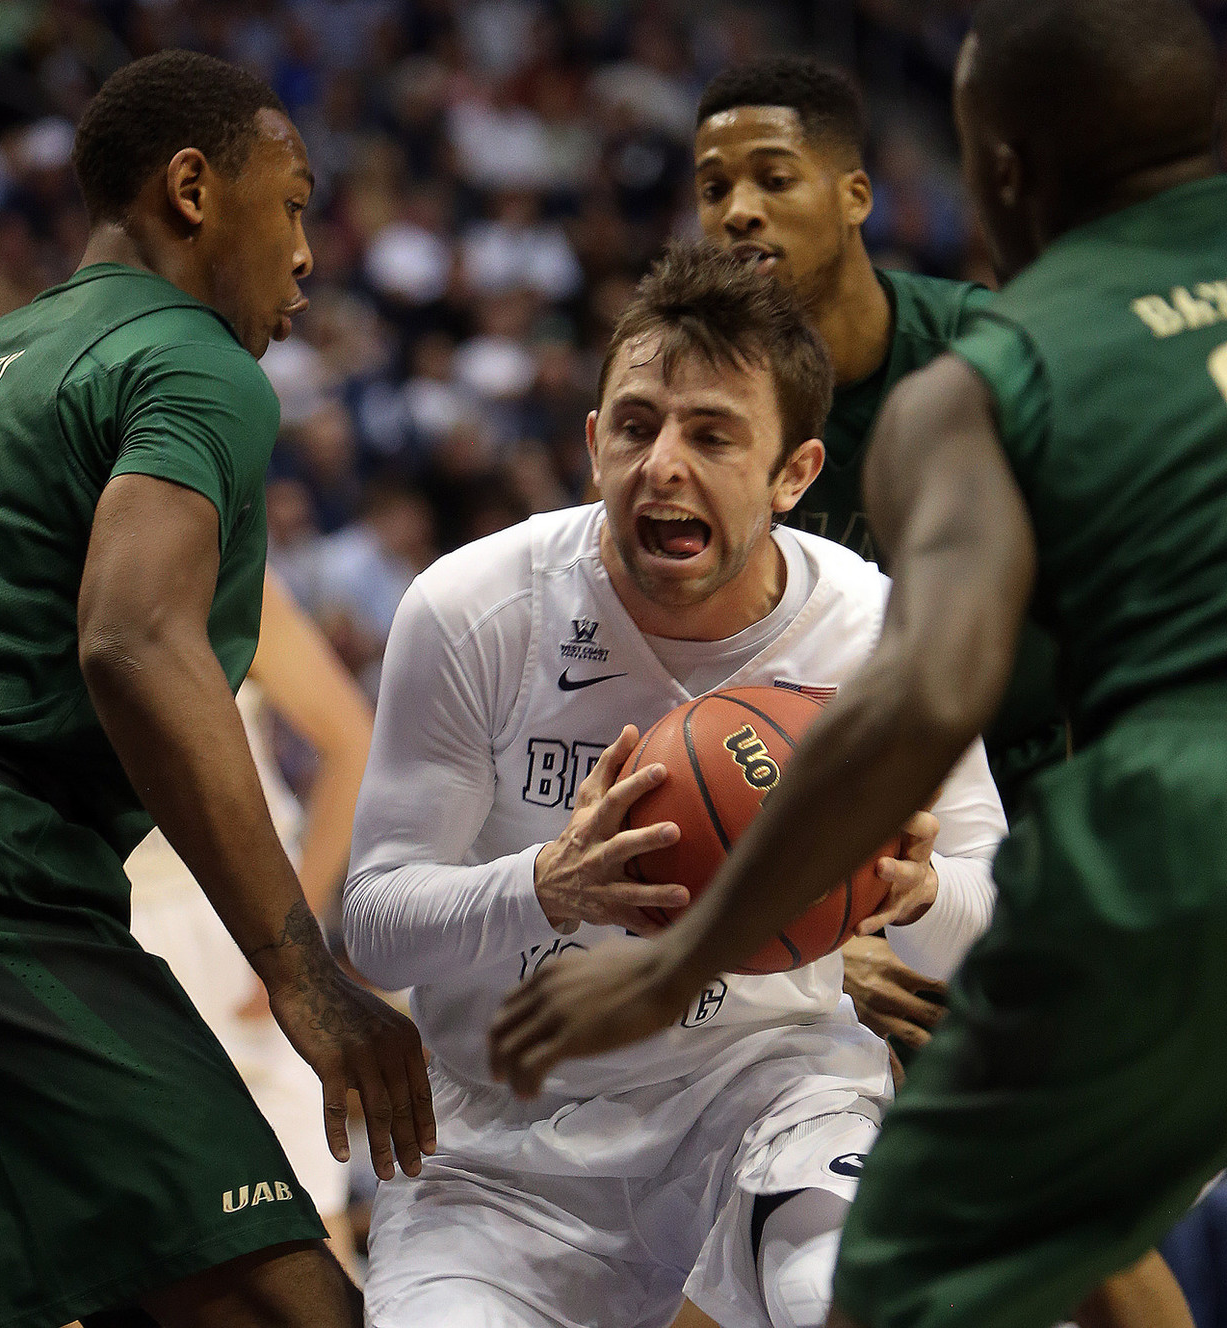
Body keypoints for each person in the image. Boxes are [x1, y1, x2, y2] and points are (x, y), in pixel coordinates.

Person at [489, 2, 1227, 1325]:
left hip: (1127, 842)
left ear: (992, 167)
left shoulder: (990, 373)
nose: (737, 211)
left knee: (884, 1287)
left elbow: (926, 696)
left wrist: (682, 956)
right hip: (924, 868)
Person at [344, 241, 1005, 1328]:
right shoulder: (472, 606)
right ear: (595, 440)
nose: (663, 463)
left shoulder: (883, 630)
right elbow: (374, 924)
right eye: (640, 424)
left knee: (849, 1293)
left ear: (794, 473)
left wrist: (915, 894)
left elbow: (991, 925)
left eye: (712, 433)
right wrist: (546, 883)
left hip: (769, 1096)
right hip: (504, 1148)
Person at [689, 55, 1192, 1328]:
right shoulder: (712, 398)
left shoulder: (978, 356)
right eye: (710, 186)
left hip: (1050, 796)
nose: (735, 209)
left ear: (856, 194)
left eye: (770, 177)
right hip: (848, 819)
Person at [0, 50, 433, 1328]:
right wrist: (304, 973)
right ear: (192, 189)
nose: (310, 253)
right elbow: (133, 639)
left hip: (4, 873)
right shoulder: (193, 359)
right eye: (293, 203)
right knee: (288, 1301)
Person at [127, 567, 374, 1273]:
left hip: (236, 917)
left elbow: (350, 741)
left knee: (308, 1256)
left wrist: (288, 941)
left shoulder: (216, 555)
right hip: (87, 924)